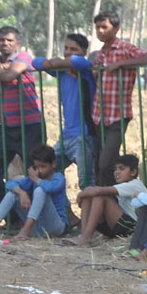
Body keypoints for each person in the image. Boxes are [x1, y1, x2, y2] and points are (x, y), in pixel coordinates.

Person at [0, 25, 44, 207]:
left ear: (17, 43)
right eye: (2, 40)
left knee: (37, 172)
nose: (5, 43)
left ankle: (40, 215)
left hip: (30, 126)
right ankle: (13, 215)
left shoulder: (24, 57)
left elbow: (9, 76)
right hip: (6, 127)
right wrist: (0, 66)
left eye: (10, 40)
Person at [88, 10, 147, 190]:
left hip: (118, 114)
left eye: (104, 27)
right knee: (101, 160)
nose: (100, 31)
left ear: (116, 29)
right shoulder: (99, 54)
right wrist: (96, 71)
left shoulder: (125, 48)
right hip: (99, 114)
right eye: (97, 27)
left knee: (105, 162)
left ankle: (111, 193)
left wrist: (120, 64)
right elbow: (98, 80)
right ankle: (109, 196)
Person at [33, 32, 96, 182]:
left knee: (86, 181)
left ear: (84, 52)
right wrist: (60, 64)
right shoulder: (61, 72)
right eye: (66, 48)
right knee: (45, 174)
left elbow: (77, 62)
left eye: (74, 49)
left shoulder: (85, 70)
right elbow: (36, 62)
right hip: (66, 135)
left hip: (84, 136)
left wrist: (56, 63)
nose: (68, 52)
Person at [0, 144, 68, 241]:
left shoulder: (58, 178)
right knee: (12, 193)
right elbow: (9, 184)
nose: (40, 170)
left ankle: (25, 230)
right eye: (37, 167)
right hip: (38, 226)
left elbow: (50, 188)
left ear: (53, 164)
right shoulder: (34, 179)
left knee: (40, 191)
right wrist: (22, 193)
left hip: (55, 227)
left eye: (43, 166)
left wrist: (36, 179)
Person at [70, 154, 144, 246]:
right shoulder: (122, 185)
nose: (117, 172)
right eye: (115, 169)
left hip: (133, 228)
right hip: (120, 227)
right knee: (89, 196)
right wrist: (85, 194)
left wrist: (80, 194)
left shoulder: (135, 184)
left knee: (101, 196)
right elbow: (92, 191)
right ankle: (84, 235)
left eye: (121, 169)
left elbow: (98, 191)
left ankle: (86, 238)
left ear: (133, 172)